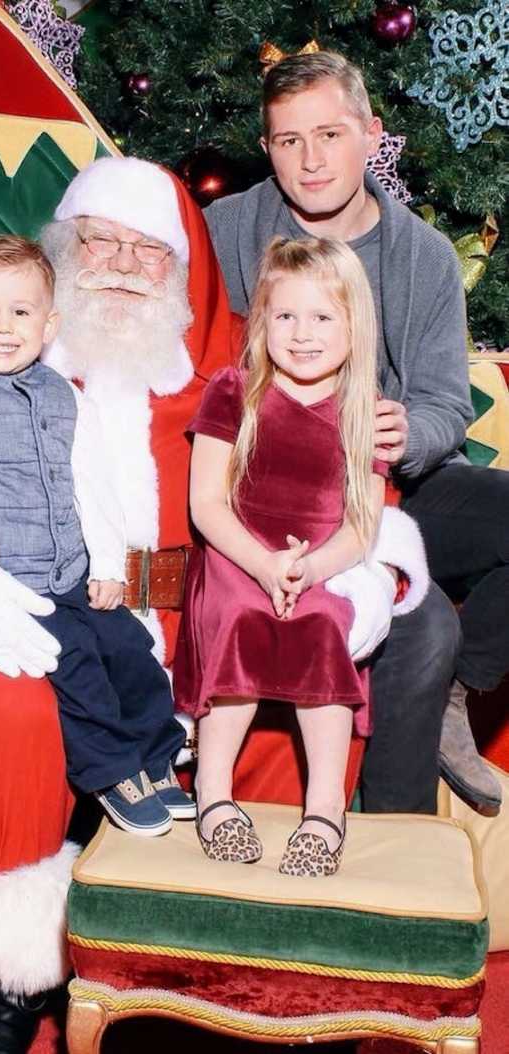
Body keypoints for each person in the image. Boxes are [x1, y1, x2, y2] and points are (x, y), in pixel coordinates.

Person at [0, 156, 425, 1053]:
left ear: (183, 271)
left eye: (148, 251)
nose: (122, 264)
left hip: (201, 604)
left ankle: (241, 973)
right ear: (61, 255)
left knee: (282, 715)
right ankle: (7, 979)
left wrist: (350, 577)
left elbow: (339, 472)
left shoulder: (244, 353)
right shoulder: (3, 339)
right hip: (23, 599)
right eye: (99, 243)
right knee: (12, 709)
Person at [204, 49, 505, 815]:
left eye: (330, 135)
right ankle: (387, 830)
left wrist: (410, 430)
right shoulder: (228, 230)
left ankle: (458, 697)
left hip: (393, 485)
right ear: (266, 148)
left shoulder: (425, 257)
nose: (311, 160)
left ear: (371, 134)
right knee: (424, 621)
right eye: (288, 140)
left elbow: (445, 401)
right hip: (281, 494)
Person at [0, 235, 191, 836]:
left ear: (48, 323)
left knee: (132, 650)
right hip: (6, 584)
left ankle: (159, 759)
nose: (3, 327)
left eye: (20, 312)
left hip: (71, 571)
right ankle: (111, 772)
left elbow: (92, 486)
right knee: (75, 666)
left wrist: (105, 565)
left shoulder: (66, 397)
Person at [176, 235, 391, 877]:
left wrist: (312, 569)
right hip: (237, 555)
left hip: (323, 559)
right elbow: (206, 505)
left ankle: (325, 808)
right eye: (285, 316)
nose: (302, 333)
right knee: (242, 618)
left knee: (324, 623)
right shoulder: (233, 391)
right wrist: (268, 566)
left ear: (355, 326)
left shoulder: (364, 412)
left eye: (323, 317)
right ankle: (213, 791)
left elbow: (363, 522)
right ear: (261, 320)